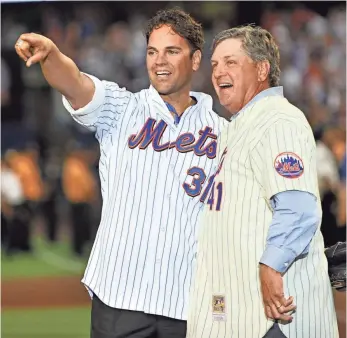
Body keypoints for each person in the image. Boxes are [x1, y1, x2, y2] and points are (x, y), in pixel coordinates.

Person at [14, 8, 227, 338]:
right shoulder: (122, 108)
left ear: (196, 59)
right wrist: (52, 55)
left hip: (189, 302)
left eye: (172, 51)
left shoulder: (225, 133)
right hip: (119, 297)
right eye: (152, 52)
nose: (160, 61)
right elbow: (75, 83)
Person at [187, 25, 339, 338]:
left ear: (261, 69)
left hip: (271, 318)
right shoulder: (239, 126)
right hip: (242, 313)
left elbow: (298, 207)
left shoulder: (278, 119)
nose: (218, 72)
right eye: (214, 64)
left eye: (231, 62)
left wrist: (272, 266)